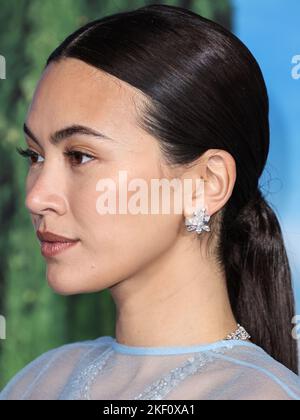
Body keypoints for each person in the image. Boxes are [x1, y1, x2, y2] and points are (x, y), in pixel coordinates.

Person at [1, 4, 300, 400]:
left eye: (80, 156)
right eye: (35, 156)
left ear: (205, 183)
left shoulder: (261, 394)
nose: (37, 196)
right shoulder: (36, 382)